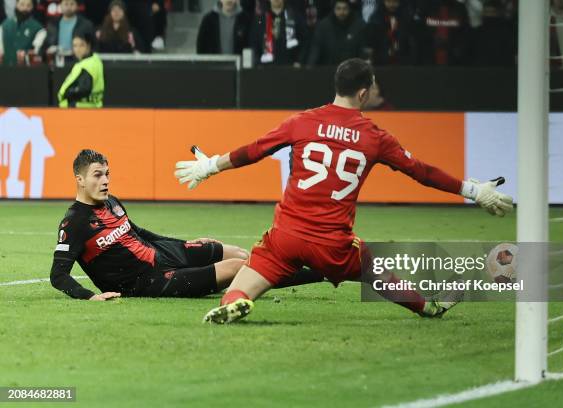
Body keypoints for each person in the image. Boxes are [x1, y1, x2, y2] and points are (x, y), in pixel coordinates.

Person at [174, 58, 513, 324]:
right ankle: (428, 306)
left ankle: (235, 303)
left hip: (286, 237)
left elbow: (254, 150)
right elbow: (421, 172)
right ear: (364, 93)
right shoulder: (375, 138)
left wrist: (210, 166)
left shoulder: (301, 122)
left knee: (236, 291)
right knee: (375, 271)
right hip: (333, 245)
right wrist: (473, 190)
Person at [50, 149, 250, 301]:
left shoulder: (112, 202)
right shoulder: (73, 223)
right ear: (80, 180)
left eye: (107, 174)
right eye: (97, 175)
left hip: (161, 252)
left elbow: (139, 233)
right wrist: (90, 296)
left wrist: (184, 243)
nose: (105, 181)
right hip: (150, 281)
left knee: (241, 255)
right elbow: (58, 275)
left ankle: (220, 283)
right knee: (238, 267)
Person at [306, 0, 367, 66]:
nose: (341, 12)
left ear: (349, 9)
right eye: (338, 8)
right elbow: (315, 50)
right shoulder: (324, 26)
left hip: (352, 70)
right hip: (328, 69)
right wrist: (310, 67)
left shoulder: (359, 25)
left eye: (345, 8)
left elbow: (362, 51)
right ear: (333, 9)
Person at [250, 0, 307, 66]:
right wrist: (258, 64)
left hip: (291, 68)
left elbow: (305, 41)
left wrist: (299, 61)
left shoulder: (295, 17)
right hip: (266, 70)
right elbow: (254, 44)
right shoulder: (260, 21)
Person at [57, 32, 104, 108]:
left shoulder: (88, 65)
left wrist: (69, 93)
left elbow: (84, 89)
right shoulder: (96, 60)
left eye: (81, 45)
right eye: (75, 46)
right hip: (94, 106)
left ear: (88, 46)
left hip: (81, 109)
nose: (78, 49)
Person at [0, 0, 46, 66]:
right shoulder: (4, 26)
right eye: (22, 4)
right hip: (5, 70)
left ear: (32, 7)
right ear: (16, 5)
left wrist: (26, 54)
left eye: (28, 5)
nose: (25, 8)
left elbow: (36, 51)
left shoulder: (39, 29)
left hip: (27, 71)